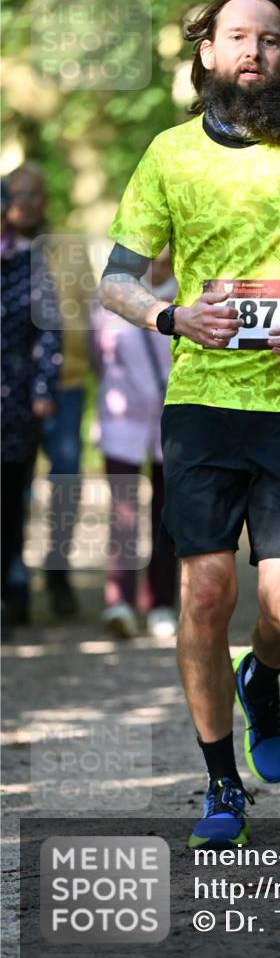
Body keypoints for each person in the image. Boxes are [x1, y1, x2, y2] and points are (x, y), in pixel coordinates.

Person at [99, 0, 280, 848]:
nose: (253, 51)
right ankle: (222, 785)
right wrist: (172, 316)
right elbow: (116, 280)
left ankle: (260, 680)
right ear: (207, 55)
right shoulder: (169, 156)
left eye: (269, 39)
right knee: (204, 592)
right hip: (200, 404)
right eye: (237, 37)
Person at [7, 162, 94, 617]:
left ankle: (58, 576)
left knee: (65, 477)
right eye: (18, 194)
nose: (27, 203)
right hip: (13, 390)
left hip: (68, 384)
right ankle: (14, 581)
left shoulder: (68, 249)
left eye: (35, 194)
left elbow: (92, 312)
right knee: (13, 483)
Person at [89, 246, 178, 638]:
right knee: (123, 512)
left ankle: (161, 604)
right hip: (121, 418)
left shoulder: (191, 293)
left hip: (171, 419)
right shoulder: (115, 293)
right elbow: (96, 355)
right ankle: (119, 601)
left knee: (166, 514)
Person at [1, 178, 62, 627]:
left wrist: (42, 389)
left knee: (9, 503)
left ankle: (9, 590)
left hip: (15, 401)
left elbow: (49, 327)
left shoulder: (28, 261)